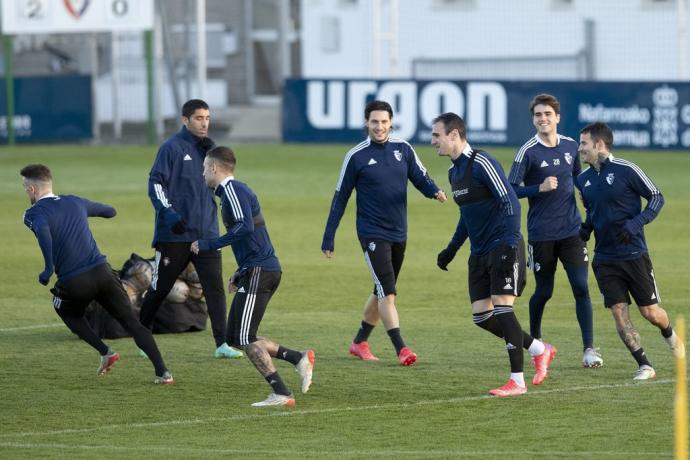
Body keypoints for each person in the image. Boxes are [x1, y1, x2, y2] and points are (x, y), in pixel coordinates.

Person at [431, 112, 556, 397]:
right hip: (479, 253)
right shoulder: (454, 173)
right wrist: (451, 250)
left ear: (454, 135)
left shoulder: (481, 162)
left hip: (503, 245)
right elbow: (467, 217)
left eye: (437, 135)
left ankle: (517, 381)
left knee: (502, 307)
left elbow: (510, 200)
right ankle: (540, 349)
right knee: (482, 317)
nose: (433, 141)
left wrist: (509, 243)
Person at [20, 164, 173, 384]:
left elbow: (43, 230)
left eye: (26, 188)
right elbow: (110, 211)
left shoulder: (32, 213)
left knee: (65, 310)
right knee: (132, 323)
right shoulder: (74, 201)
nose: (26, 192)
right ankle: (163, 373)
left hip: (74, 281)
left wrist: (48, 269)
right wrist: (89, 211)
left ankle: (106, 352)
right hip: (103, 273)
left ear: (32, 189)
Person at [321, 99, 447, 366]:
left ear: (391, 123)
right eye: (374, 122)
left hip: (399, 232)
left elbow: (420, 176)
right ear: (366, 123)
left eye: (384, 122)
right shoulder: (356, 156)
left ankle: (359, 341)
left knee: (381, 290)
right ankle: (401, 348)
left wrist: (434, 191)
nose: (379, 127)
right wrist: (328, 236)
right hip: (371, 233)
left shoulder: (403, 149)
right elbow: (340, 197)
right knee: (387, 292)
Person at [191, 146, 314, 407]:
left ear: (214, 168)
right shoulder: (232, 193)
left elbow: (244, 227)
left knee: (246, 337)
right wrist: (241, 270)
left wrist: (209, 244)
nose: (202, 173)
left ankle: (282, 392)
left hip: (261, 269)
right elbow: (251, 233)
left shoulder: (232, 191)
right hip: (256, 268)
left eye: (204, 168)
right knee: (235, 336)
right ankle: (297, 358)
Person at [576, 122, 685, 380]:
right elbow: (593, 210)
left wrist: (637, 222)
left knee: (650, 313)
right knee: (618, 311)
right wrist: (587, 229)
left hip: (634, 255)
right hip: (604, 259)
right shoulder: (583, 180)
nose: (579, 149)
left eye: (583, 144)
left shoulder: (627, 169)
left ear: (599, 144)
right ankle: (645, 365)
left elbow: (657, 197)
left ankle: (669, 332)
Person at [140, 99, 241, 359]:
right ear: (185, 120)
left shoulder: (211, 150)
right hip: (174, 233)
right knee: (160, 287)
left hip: (206, 233)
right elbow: (155, 184)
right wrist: (169, 213)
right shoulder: (171, 148)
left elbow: (223, 186)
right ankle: (142, 335)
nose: (204, 122)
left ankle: (222, 344)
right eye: (198, 118)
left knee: (215, 289)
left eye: (207, 117)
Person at [508, 94, 602, 368]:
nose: (543, 119)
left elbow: (575, 176)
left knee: (581, 287)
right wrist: (538, 188)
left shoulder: (572, 146)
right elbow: (510, 188)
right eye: (538, 115)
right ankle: (536, 342)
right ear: (533, 119)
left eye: (547, 114)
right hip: (541, 234)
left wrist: (585, 191)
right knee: (544, 291)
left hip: (572, 231)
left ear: (557, 117)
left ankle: (589, 349)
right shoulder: (528, 152)